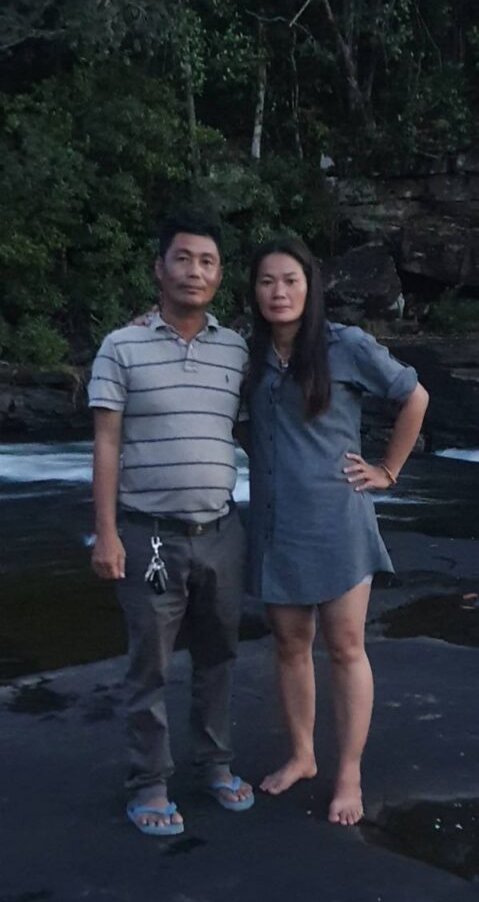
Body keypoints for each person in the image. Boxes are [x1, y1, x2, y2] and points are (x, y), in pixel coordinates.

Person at [244, 236, 429, 826]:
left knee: (346, 647)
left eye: (290, 280)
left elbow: (415, 395)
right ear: (254, 291)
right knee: (290, 645)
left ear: (311, 286)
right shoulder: (247, 354)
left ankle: (348, 772)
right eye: (267, 281)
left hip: (337, 520)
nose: (279, 292)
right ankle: (302, 756)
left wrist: (388, 471)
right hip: (275, 524)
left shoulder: (344, 345)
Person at [88, 204, 254, 836]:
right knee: (150, 664)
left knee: (219, 655)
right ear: (159, 268)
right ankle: (149, 783)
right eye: (182, 258)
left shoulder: (235, 349)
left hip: (222, 532)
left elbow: (262, 423)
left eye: (207, 261)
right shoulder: (121, 346)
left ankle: (215, 764)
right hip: (150, 536)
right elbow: (106, 443)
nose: (194, 271)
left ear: (220, 275)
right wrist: (107, 533)